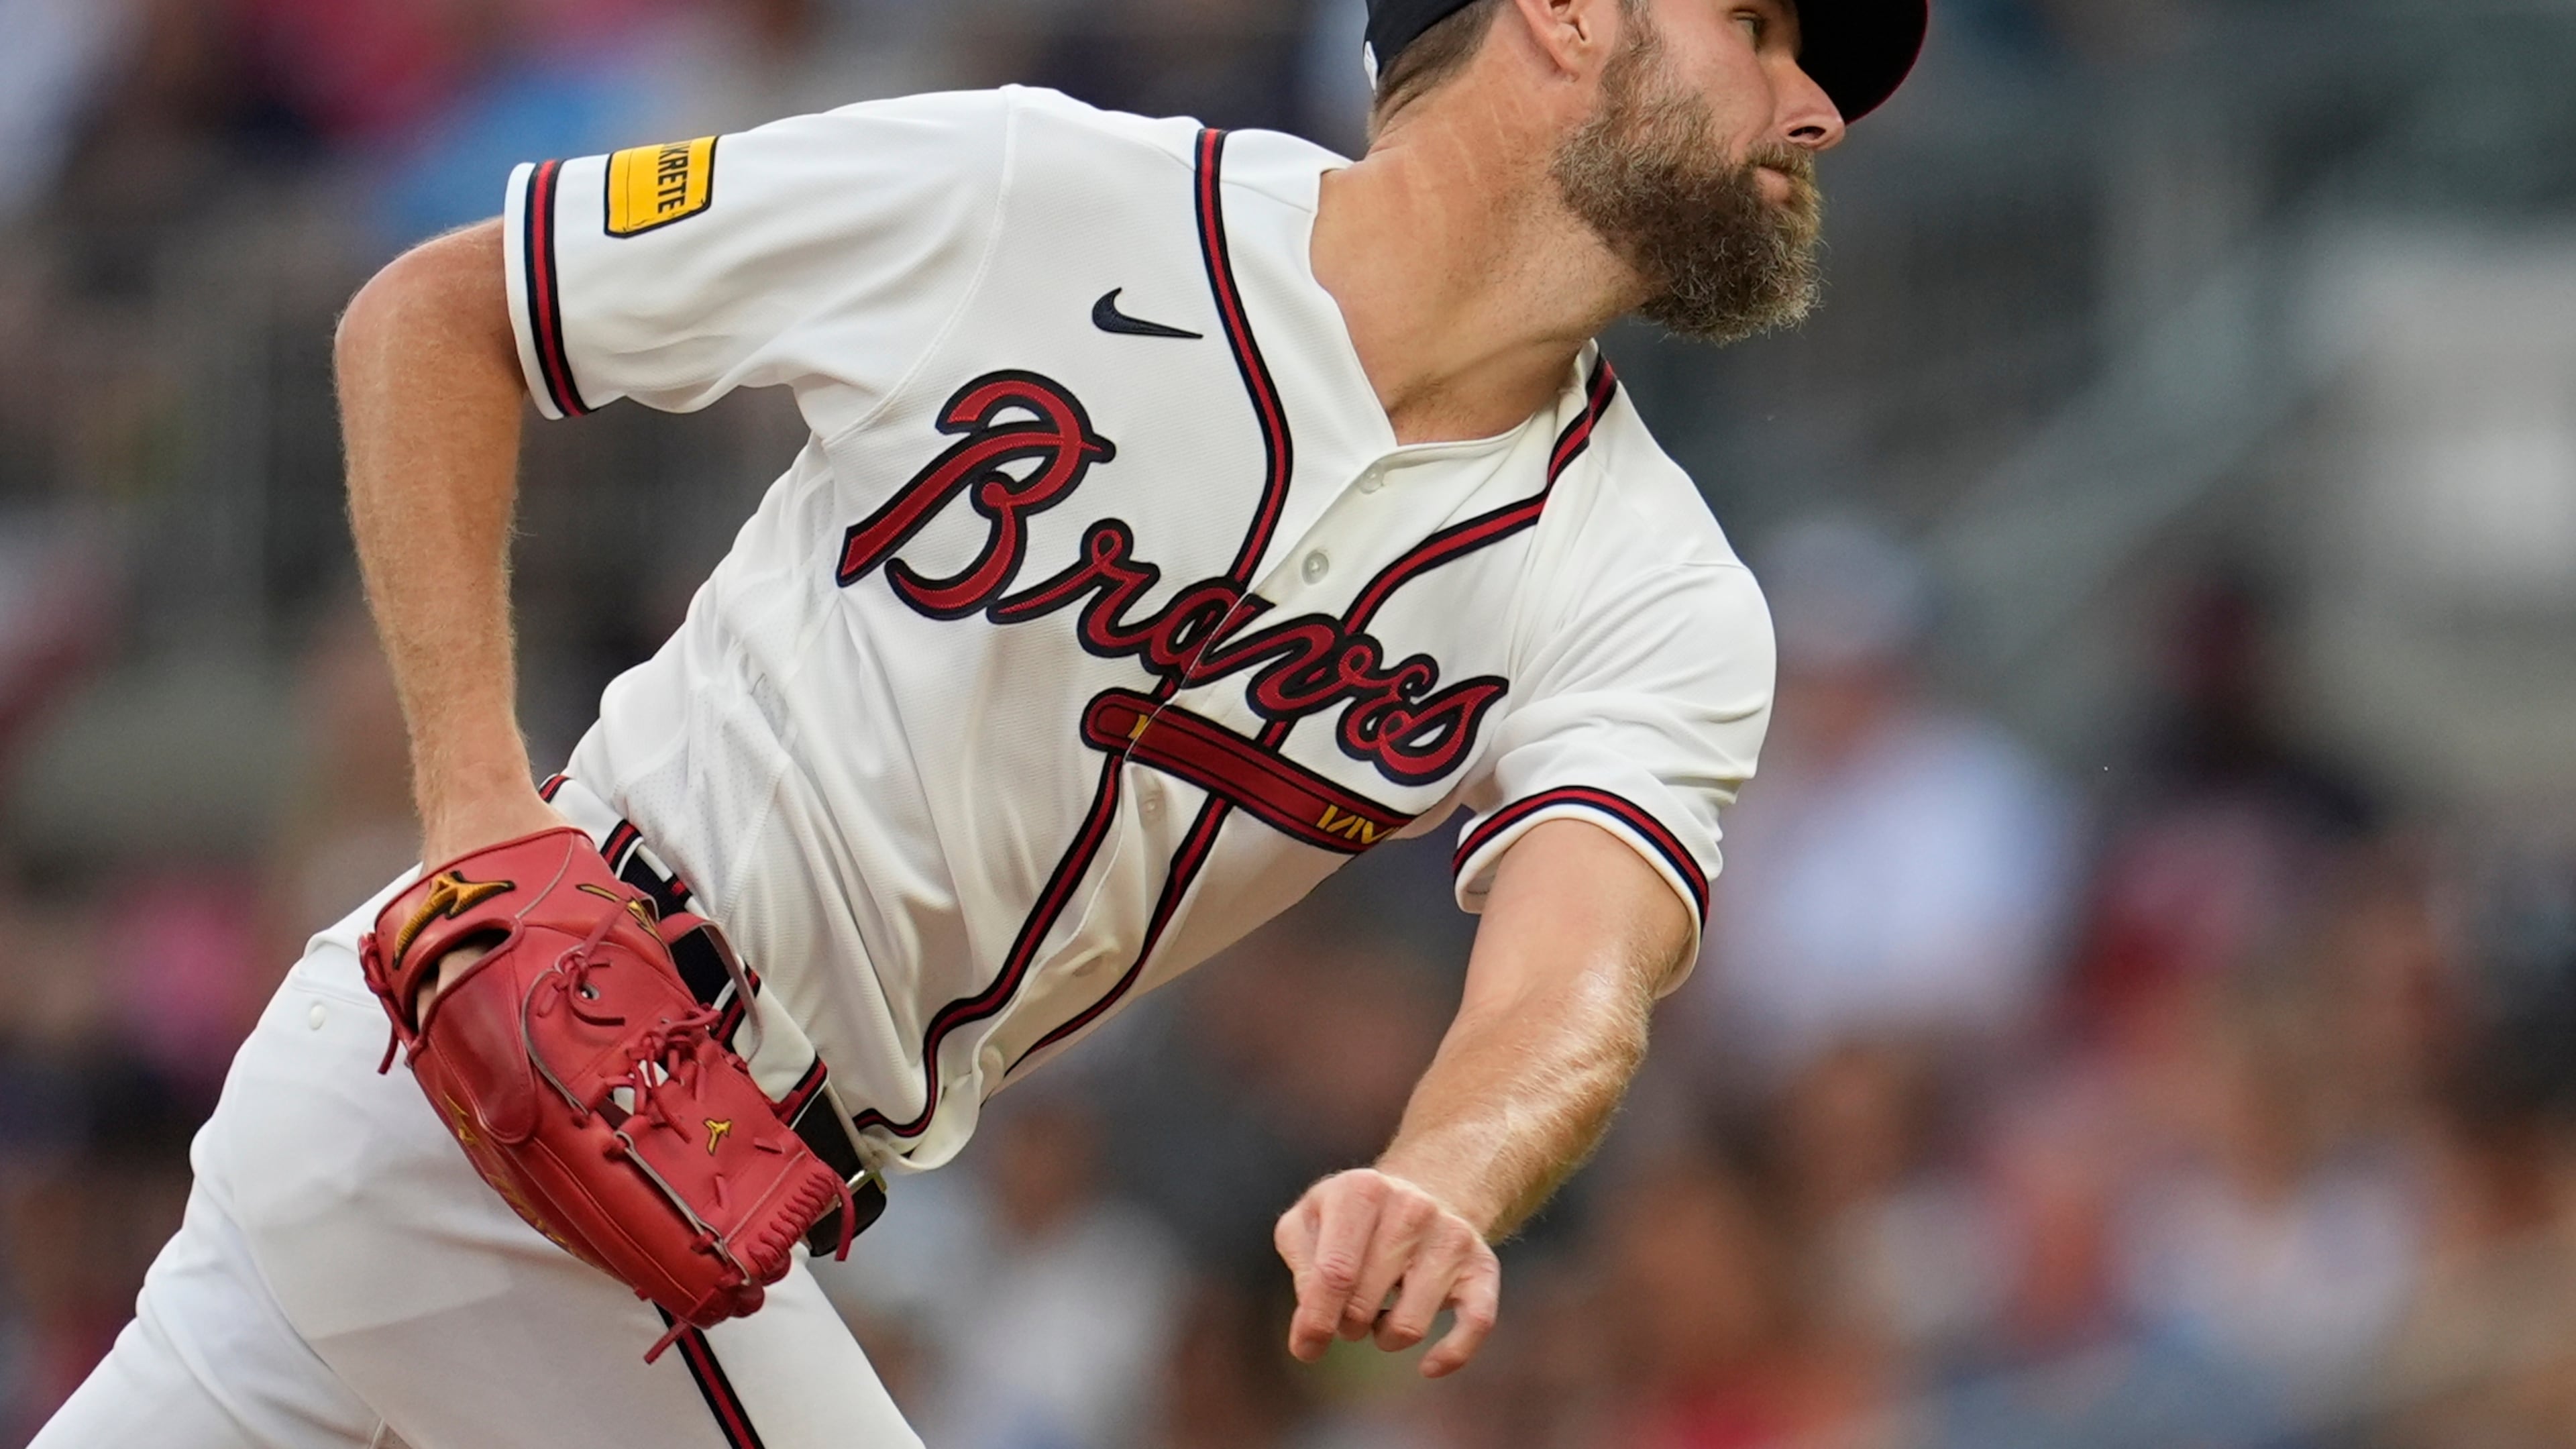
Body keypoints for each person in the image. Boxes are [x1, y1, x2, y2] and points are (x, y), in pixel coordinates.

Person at [36, 0, 1924, 1442]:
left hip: (717, 1187)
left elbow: (1576, 981)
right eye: (1759, 25)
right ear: (1570, 10)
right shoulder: (1043, 198)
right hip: (506, 1069)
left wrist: (1447, 1167)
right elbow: (443, 312)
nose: (1815, 105)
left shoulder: (1652, 591)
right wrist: (471, 811)